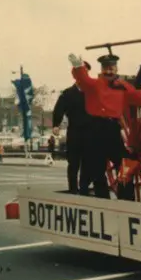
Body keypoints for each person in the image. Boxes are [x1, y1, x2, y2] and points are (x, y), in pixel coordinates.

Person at [69, 52, 141, 199]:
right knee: (97, 169)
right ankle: (103, 201)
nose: (109, 71)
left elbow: (140, 97)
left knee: (126, 165)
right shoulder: (94, 85)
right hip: (95, 129)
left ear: (116, 69)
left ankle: (126, 199)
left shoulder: (123, 87)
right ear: (102, 69)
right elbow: (82, 79)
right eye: (106, 68)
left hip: (113, 129)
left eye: (112, 68)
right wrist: (78, 66)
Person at [52, 63, 94, 195]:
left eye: (85, 72)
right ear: (75, 75)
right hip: (75, 131)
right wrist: (56, 124)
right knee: (74, 162)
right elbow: (59, 109)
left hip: (90, 131)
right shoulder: (68, 93)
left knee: (88, 161)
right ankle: (73, 188)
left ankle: (84, 187)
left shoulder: (92, 91)